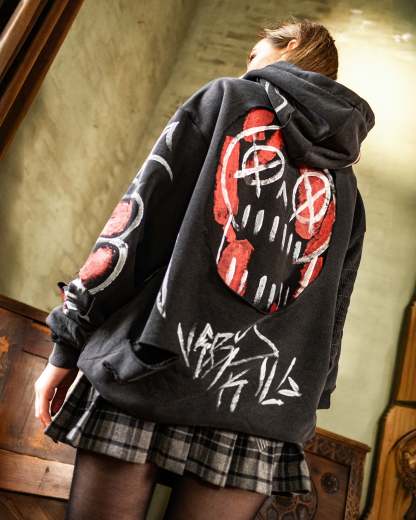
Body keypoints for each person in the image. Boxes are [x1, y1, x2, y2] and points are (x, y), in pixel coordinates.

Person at [34, 17, 374, 520]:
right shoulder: (348, 191)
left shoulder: (227, 99)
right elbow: (332, 318)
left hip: (152, 370)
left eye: (255, 53)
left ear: (292, 47)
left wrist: (67, 343)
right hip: (259, 408)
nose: (248, 65)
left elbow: (136, 226)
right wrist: (306, 402)